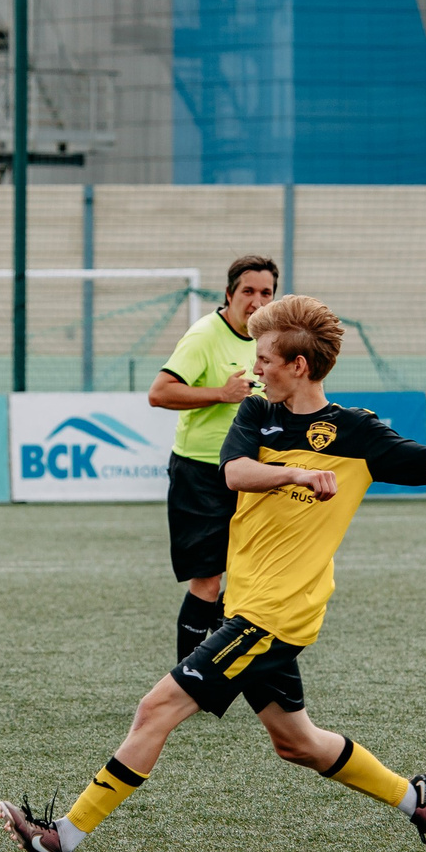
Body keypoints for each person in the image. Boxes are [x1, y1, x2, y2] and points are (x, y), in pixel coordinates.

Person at [0, 295, 426, 852]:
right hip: (247, 602)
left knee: (155, 710)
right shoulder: (257, 413)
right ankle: (417, 798)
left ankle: (61, 840)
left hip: (276, 614)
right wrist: (297, 473)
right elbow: (235, 473)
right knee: (296, 742)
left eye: (265, 358)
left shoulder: (357, 432)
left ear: (297, 366)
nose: (255, 368)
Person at [150, 254, 279, 658]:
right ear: (229, 294)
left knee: (248, 580)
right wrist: (220, 394)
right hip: (201, 475)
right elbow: (160, 392)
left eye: (266, 292)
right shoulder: (206, 334)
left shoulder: (270, 340)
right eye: (248, 291)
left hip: (249, 475)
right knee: (206, 582)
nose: (257, 300)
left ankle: (223, 660)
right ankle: (185, 682)